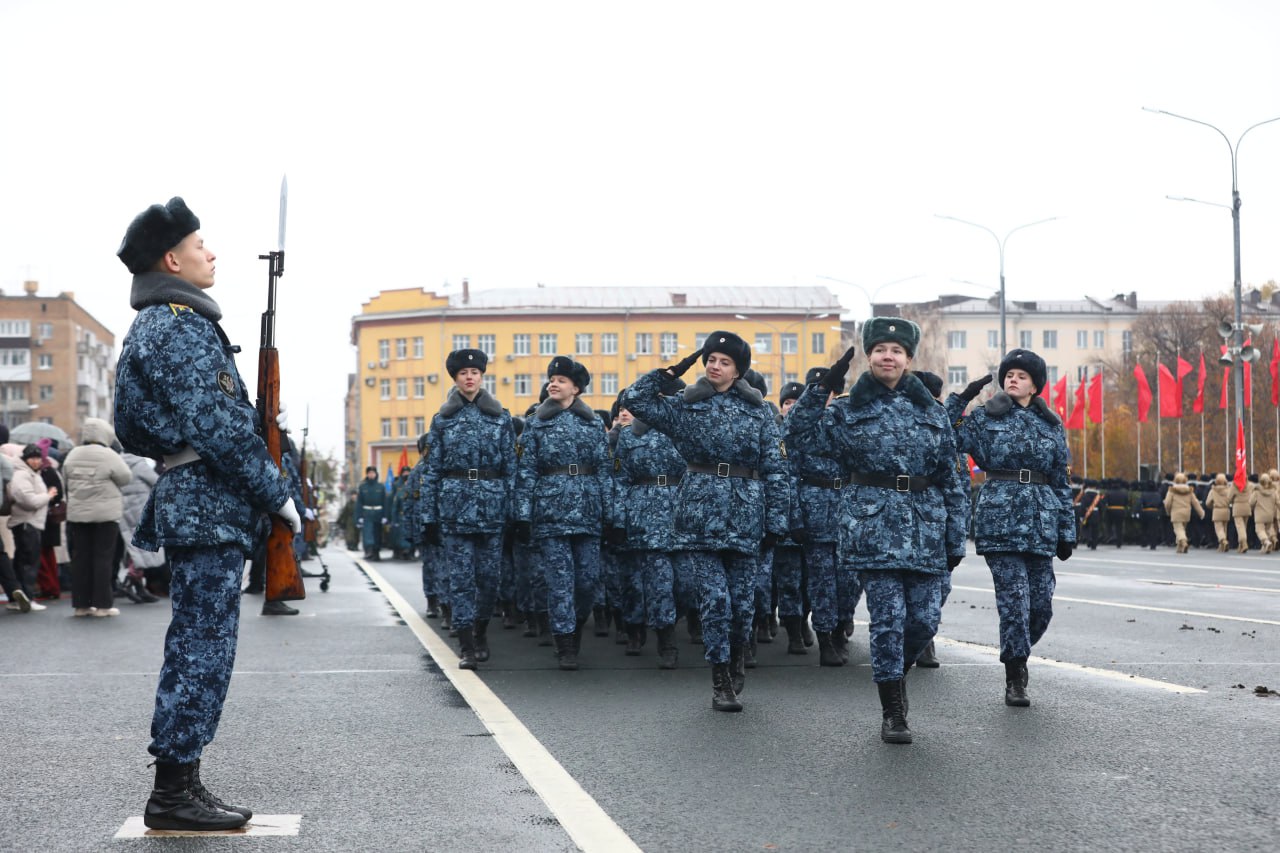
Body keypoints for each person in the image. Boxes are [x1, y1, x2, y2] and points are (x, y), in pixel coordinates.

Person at [114, 196, 300, 831]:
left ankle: (182, 782)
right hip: (206, 503)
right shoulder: (178, 326)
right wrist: (276, 493)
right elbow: (219, 427)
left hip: (197, 499)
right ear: (172, 259)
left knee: (201, 643)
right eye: (200, 246)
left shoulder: (159, 324)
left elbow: (135, 424)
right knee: (202, 647)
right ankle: (173, 793)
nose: (211, 254)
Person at [788, 319, 967, 743]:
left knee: (924, 619)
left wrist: (956, 534)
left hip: (924, 527)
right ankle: (893, 710)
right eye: (881, 349)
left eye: (897, 350)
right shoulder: (845, 409)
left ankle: (895, 673)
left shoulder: (931, 411)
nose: (889, 357)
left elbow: (950, 476)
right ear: (869, 356)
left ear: (909, 358)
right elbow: (795, 435)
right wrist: (820, 388)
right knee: (888, 620)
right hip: (872, 526)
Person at [622, 332, 789, 712]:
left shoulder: (759, 412)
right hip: (699, 513)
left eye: (724, 361)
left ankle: (736, 657)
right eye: (711, 359)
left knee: (742, 604)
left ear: (738, 370)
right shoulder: (686, 405)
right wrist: (670, 373)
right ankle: (720, 679)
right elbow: (635, 400)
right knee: (715, 600)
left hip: (745, 513)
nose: (715, 366)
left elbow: (776, 469)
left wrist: (777, 521)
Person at [948, 348, 1075, 709]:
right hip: (1000, 519)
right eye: (1009, 375)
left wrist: (1067, 530)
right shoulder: (985, 417)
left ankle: (1018, 651)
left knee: (1041, 605)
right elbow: (943, 434)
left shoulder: (1051, 424)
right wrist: (961, 399)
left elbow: (1060, 481)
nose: (1013, 379)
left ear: (1035, 385)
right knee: (1015, 602)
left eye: (1021, 375)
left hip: (1040, 521)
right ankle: (1015, 674)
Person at [515, 357, 612, 671]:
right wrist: (523, 515)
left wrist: (611, 515)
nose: (553, 384)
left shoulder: (593, 423)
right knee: (559, 581)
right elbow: (527, 471)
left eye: (561, 380)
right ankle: (565, 643)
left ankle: (575, 624)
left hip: (588, 510)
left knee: (587, 581)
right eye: (552, 379)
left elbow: (604, 470)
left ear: (576, 388)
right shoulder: (536, 423)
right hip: (550, 510)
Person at [422, 348, 516, 670]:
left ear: (482, 376)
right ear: (455, 378)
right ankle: (466, 646)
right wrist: (429, 517)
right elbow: (432, 470)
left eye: (474, 372)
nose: (469, 377)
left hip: (492, 507)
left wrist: (515, 513)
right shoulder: (442, 420)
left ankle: (481, 631)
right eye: (463, 373)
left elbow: (511, 468)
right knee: (461, 579)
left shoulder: (501, 417)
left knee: (489, 579)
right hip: (455, 508)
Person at [610, 394, 687, 668]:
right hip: (646, 515)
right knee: (659, 584)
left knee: (687, 585)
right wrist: (618, 520)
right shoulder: (629, 436)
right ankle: (666, 641)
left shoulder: (685, 429)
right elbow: (619, 480)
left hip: (682, 515)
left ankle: (674, 620)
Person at [62, 418, 133, 617]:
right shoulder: (109, 455)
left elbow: (65, 478)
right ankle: (103, 605)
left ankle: (81, 605)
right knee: (103, 559)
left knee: (80, 559)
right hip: (106, 516)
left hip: (78, 514)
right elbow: (125, 478)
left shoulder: (73, 454)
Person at [8, 443, 57, 612]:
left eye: (38, 458)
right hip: (26, 523)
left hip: (29, 523)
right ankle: (27, 597)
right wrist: (48, 496)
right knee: (28, 562)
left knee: (24, 561)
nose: (36, 461)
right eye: (32, 458)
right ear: (25, 459)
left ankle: (20, 598)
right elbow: (29, 501)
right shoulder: (22, 474)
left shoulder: (30, 473)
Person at [1163, 472, 1205, 554]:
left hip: (1176, 513)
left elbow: (1167, 503)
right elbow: (1195, 502)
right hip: (1186, 513)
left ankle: (1184, 541)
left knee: (1178, 530)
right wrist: (1201, 513)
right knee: (1182, 529)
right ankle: (1180, 547)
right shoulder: (1189, 490)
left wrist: (1168, 511)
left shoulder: (1172, 490)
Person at [356, 466, 385, 560]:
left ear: (376, 474)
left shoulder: (381, 486)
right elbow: (359, 503)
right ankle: (369, 551)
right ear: (367, 474)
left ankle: (376, 552)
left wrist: (385, 516)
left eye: (373, 473)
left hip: (378, 512)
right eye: (369, 473)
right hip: (367, 512)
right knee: (368, 533)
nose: (371, 475)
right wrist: (359, 516)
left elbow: (384, 502)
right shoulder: (363, 487)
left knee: (377, 533)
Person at [1204, 473, 1232, 552]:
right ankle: (1222, 546)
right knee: (1224, 528)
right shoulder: (1229, 490)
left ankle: (1223, 540)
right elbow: (1231, 499)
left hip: (1217, 510)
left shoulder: (1213, 490)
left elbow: (1207, 503)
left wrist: (1212, 507)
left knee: (1219, 529)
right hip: (1226, 510)